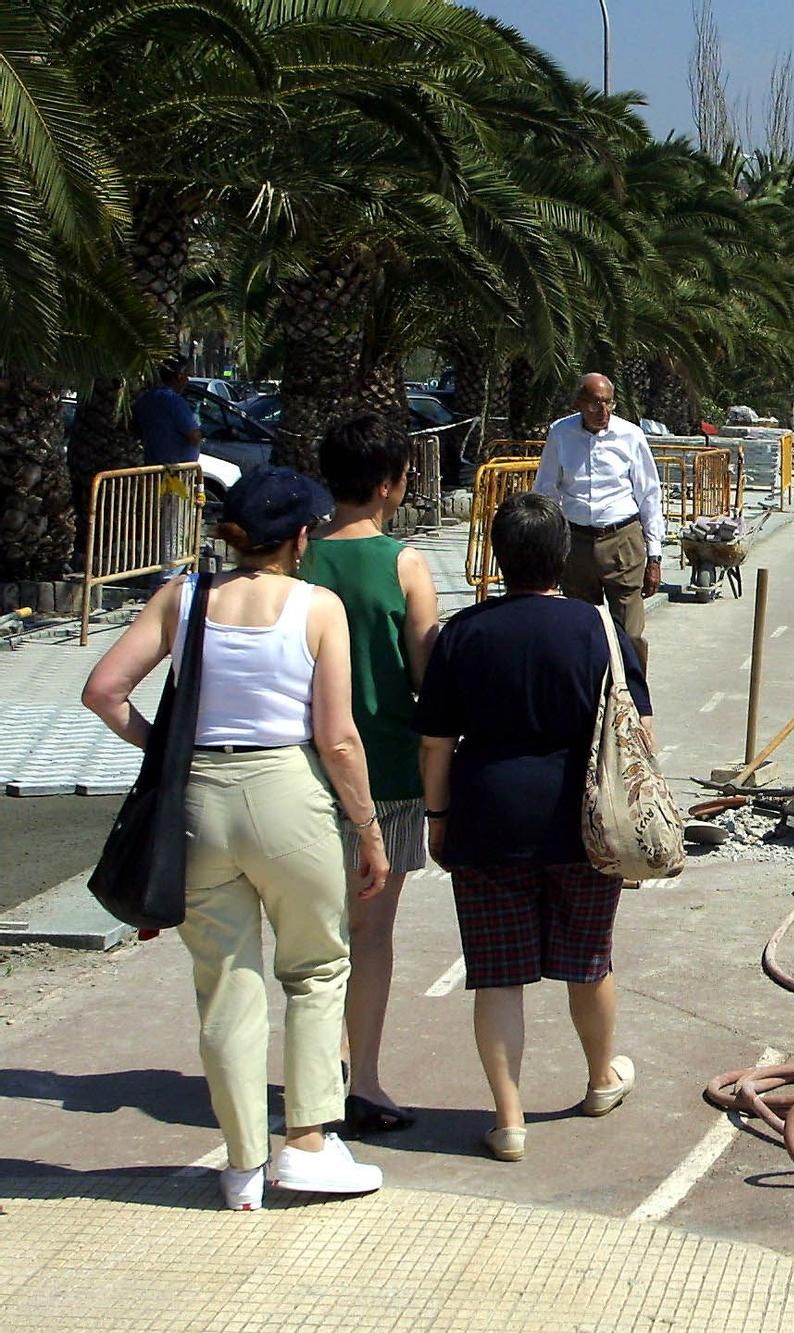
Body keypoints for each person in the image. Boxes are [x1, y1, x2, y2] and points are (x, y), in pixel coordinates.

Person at [82, 467, 389, 1211]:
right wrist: (369, 826)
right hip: (288, 792)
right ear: (303, 537)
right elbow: (338, 737)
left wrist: (163, 751)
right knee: (315, 969)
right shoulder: (318, 607)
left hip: (198, 801)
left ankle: (243, 1163)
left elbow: (102, 690)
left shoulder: (182, 599)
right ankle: (310, 1144)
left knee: (225, 983)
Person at [414, 491, 647, 1163]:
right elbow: (640, 730)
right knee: (589, 957)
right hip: (585, 820)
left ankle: (509, 1119)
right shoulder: (597, 630)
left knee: (497, 973)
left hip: (486, 817)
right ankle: (602, 1078)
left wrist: (438, 816)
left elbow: (436, 742)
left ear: (499, 558)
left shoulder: (463, 633)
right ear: (562, 556)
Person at [298, 414, 441, 1139]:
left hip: (301, 770)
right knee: (371, 933)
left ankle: (314, 1073)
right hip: (386, 765)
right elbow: (426, 674)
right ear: (388, 484)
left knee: (309, 934)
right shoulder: (404, 565)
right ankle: (367, 1078)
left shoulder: (295, 559)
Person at [532, 373, 663, 670]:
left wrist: (654, 557)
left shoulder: (630, 436)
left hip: (622, 541)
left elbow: (650, 496)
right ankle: (588, 696)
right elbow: (546, 490)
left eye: (608, 403)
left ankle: (633, 700)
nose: (603, 412)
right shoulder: (561, 434)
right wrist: (548, 546)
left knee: (628, 634)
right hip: (576, 543)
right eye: (594, 404)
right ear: (579, 403)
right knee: (581, 630)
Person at [131, 357, 203, 583]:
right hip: (177, 474)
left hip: (155, 470)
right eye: (186, 374)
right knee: (176, 524)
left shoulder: (146, 399)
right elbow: (193, 435)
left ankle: (159, 571)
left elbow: (133, 429)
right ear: (179, 376)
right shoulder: (174, 401)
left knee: (159, 523)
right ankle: (169, 576)